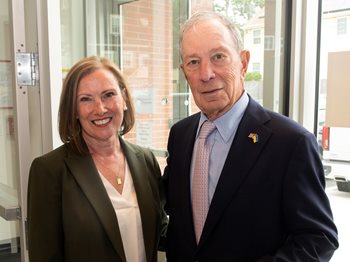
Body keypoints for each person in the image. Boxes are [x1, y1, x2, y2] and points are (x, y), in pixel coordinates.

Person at [163, 11, 338, 261]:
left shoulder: (290, 142)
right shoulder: (180, 135)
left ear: (243, 63)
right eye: (193, 62)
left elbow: (319, 239)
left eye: (218, 57)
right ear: (184, 72)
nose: (206, 73)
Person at [27, 56, 167, 262]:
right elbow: (44, 255)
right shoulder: (49, 170)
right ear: (74, 110)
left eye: (108, 95)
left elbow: (161, 231)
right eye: (86, 99)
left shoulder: (146, 161)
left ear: (124, 99)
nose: (100, 109)